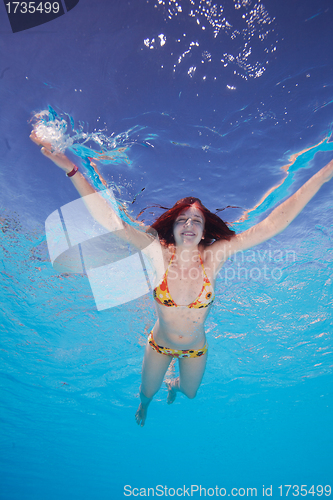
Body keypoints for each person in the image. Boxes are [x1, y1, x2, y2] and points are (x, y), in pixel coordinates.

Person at [30, 129, 333, 426]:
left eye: (197, 221)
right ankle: (145, 405)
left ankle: (173, 384)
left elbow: (270, 226)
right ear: (173, 226)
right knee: (146, 392)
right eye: (183, 219)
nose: (189, 225)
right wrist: (71, 169)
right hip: (159, 343)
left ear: (204, 229)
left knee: (189, 393)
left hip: (195, 347)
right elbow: (113, 222)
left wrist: (323, 175)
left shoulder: (214, 256)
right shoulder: (158, 252)